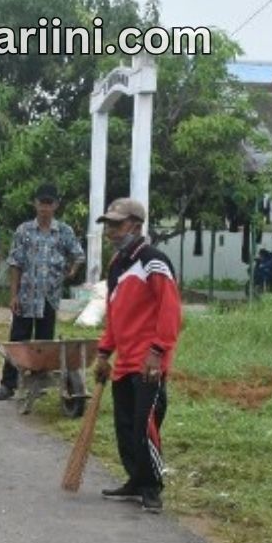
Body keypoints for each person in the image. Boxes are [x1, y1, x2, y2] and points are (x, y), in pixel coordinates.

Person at [91, 198, 181, 513]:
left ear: (136, 225)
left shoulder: (154, 261)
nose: (112, 231)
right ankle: (134, 480)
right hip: (125, 360)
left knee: (146, 425)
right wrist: (104, 352)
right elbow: (115, 315)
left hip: (148, 362)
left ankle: (152, 486)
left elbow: (170, 311)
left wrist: (158, 352)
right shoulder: (117, 265)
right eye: (109, 225)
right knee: (125, 425)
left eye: (117, 224)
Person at [0, 183, 84, 401]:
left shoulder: (64, 232)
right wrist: (13, 295)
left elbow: (78, 255)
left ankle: (38, 384)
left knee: (44, 342)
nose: (44, 208)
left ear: (56, 205)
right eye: (41, 203)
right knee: (18, 341)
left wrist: (71, 271)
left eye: (49, 203)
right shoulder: (24, 231)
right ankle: (8, 385)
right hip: (26, 296)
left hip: (50, 297)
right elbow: (15, 263)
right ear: (35, 204)